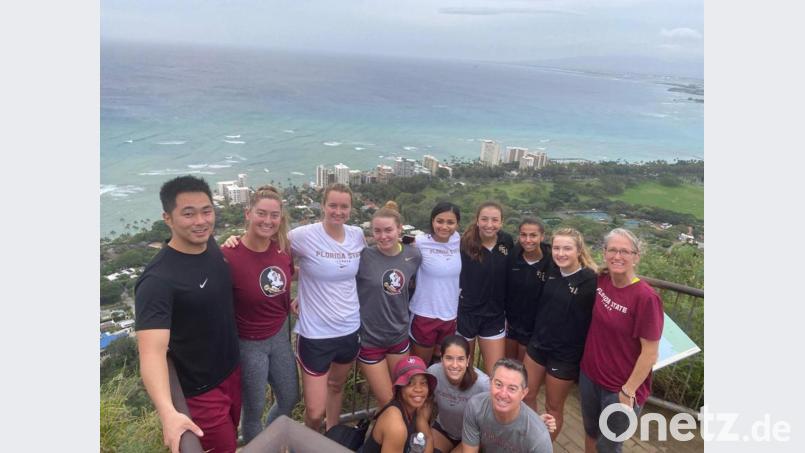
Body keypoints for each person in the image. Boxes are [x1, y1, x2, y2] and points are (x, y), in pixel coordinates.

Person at [135, 175, 241, 453]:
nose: (201, 221)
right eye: (188, 213)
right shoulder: (157, 280)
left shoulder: (211, 247)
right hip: (200, 391)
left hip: (231, 372)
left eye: (207, 211)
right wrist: (167, 412)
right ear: (167, 218)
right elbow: (151, 353)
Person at [219, 186, 300, 444]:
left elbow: (291, 277)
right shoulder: (228, 256)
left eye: (274, 215)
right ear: (248, 213)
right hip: (248, 343)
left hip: (278, 335)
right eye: (261, 213)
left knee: (289, 397)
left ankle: (270, 440)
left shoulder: (282, 249)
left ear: (280, 218)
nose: (268, 221)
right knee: (252, 410)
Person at [579, 228, 664, 453]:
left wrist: (628, 391)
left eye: (625, 251)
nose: (618, 256)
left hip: (619, 389)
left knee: (608, 446)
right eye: (613, 250)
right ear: (604, 253)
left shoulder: (646, 298)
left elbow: (650, 353)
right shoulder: (602, 280)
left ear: (636, 257)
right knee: (590, 433)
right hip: (590, 376)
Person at [291, 183, 367, 432]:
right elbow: (270, 256)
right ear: (323, 206)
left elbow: (361, 272)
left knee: (336, 386)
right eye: (332, 205)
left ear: (350, 209)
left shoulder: (357, 235)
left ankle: (332, 435)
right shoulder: (303, 235)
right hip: (316, 333)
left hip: (349, 327)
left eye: (344, 206)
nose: (338, 211)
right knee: (314, 411)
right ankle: (309, 444)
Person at [523, 227, 598, 441]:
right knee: (526, 394)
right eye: (557, 248)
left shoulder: (590, 281)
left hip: (565, 355)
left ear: (579, 251)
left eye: (567, 248)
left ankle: (543, 446)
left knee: (553, 406)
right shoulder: (552, 270)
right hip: (538, 344)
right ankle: (528, 438)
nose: (561, 253)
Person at [357, 201, 422, 407]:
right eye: (377, 231)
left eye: (388, 230)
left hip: (399, 337)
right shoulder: (363, 256)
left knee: (403, 396)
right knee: (386, 400)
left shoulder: (413, 255)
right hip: (370, 339)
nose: (383, 236)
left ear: (399, 229)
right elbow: (337, 282)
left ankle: (393, 434)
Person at [458, 201, 513, 376]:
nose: (490, 225)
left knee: (495, 374)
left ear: (501, 222)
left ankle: (488, 404)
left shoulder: (506, 242)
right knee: (463, 372)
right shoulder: (464, 244)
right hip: (466, 314)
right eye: (485, 219)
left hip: (494, 316)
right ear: (477, 220)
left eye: (495, 220)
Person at [461, 358, 554, 453]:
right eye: (498, 384)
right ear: (490, 383)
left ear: (523, 393)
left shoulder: (538, 437)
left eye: (512, 389)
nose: (503, 394)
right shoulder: (476, 406)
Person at [408, 202, 462, 365]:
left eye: (450, 222)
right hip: (424, 314)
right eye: (440, 221)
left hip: (450, 315)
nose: (445, 226)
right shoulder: (419, 241)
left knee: (440, 365)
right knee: (420, 367)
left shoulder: (457, 240)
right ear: (432, 221)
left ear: (457, 224)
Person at [427, 335, 490, 453]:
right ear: (441, 359)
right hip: (444, 429)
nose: (454, 365)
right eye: (449, 358)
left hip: (472, 436)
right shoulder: (433, 373)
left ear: (468, 360)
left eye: (460, 359)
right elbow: (426, 404)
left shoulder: (483, 384)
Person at [362, 355, 437, 453]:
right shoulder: (396, 426)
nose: (418, 389)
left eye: (423, 383)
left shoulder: (414, 408)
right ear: (399, 388)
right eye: (410, 383)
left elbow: (428, 439)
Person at [504, 218, 553, 362]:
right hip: (512, 323)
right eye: (523, 235)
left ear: (542, 237)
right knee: (509, 364)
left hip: (535, 328)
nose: (527, 240)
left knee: (523, 370)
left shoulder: (551, 261)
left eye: (533, 235)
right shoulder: (513, 257)